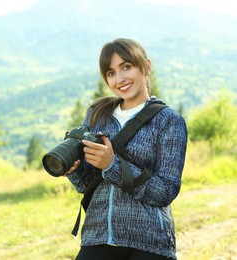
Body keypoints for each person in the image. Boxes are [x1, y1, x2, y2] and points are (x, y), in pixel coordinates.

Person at [65, 38, 188, 260]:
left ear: (146, 66)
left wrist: (112, 165)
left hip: (150, 241)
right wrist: (73, 172)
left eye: (126, 67)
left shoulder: (168, 120)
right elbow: (87, 184)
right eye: (111, 73)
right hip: (98, 236)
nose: (119, 79)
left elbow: (166, 191)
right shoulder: (97, 114)